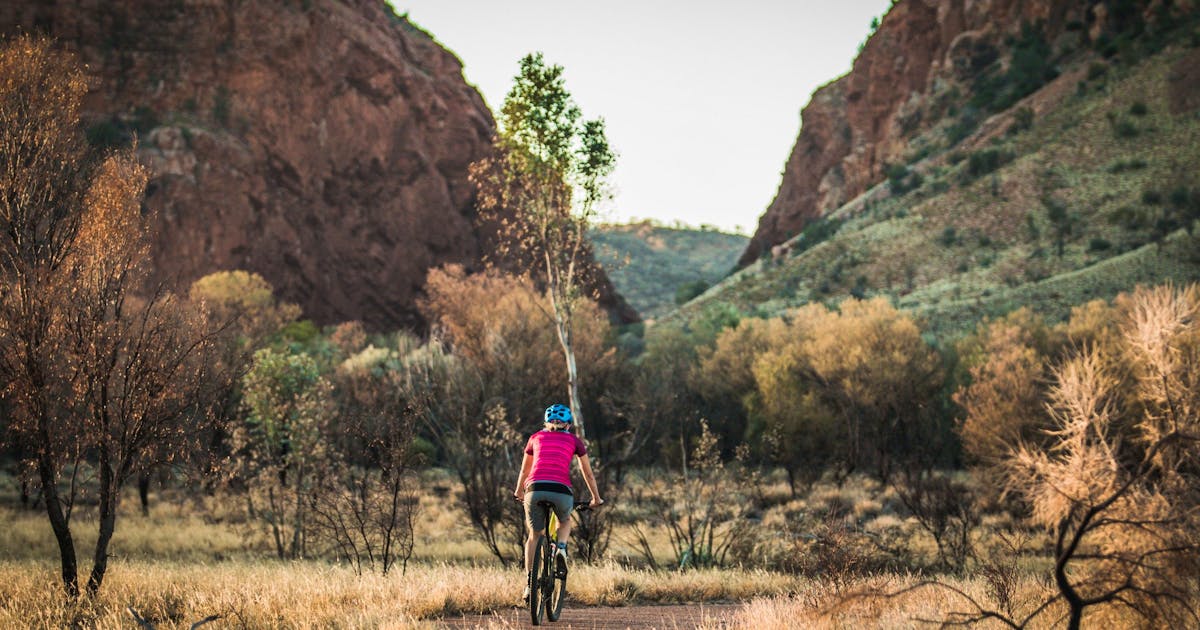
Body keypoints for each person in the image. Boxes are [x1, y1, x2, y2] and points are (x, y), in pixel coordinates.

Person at [513, 403, 603, 602]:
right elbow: (587, 473)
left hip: (534, 489)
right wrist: (595, 498)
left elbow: (524, 471)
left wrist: (519, 491)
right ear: (568, 425)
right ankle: (561, 548)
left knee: (534, 535)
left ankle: (530, 584)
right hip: (561, 490)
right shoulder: (575, 441)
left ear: (546, 423)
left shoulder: (535, 438)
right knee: (565, 521)